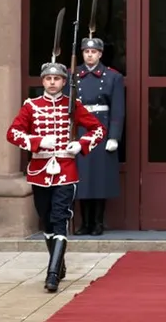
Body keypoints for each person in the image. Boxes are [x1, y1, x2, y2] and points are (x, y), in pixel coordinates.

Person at [6, 61, 106, 293]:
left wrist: (80, 144)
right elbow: (12, 133)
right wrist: (38, 141)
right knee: (47, 220)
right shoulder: (31, 106)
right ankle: (59, 264)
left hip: (65, 170)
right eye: (48, 79)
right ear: (43, 81)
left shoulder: (73, 105)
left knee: (60, 219)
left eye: (57, 79)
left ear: (63, 82)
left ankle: (52, 274)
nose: (52, 82)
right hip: (39, 172)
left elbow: (98, 129)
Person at [72, 37, 125, 236]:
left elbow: (117, 110)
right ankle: (85, 223)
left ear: (100, 54)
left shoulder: (112, 77)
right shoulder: (73, 75)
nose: (90, 55)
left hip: (101, 129)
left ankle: (97, 223)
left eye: (93, 52)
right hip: (80, 130)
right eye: (86, 52)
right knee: (82, 178)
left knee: (99, 178)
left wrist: (114, 136)